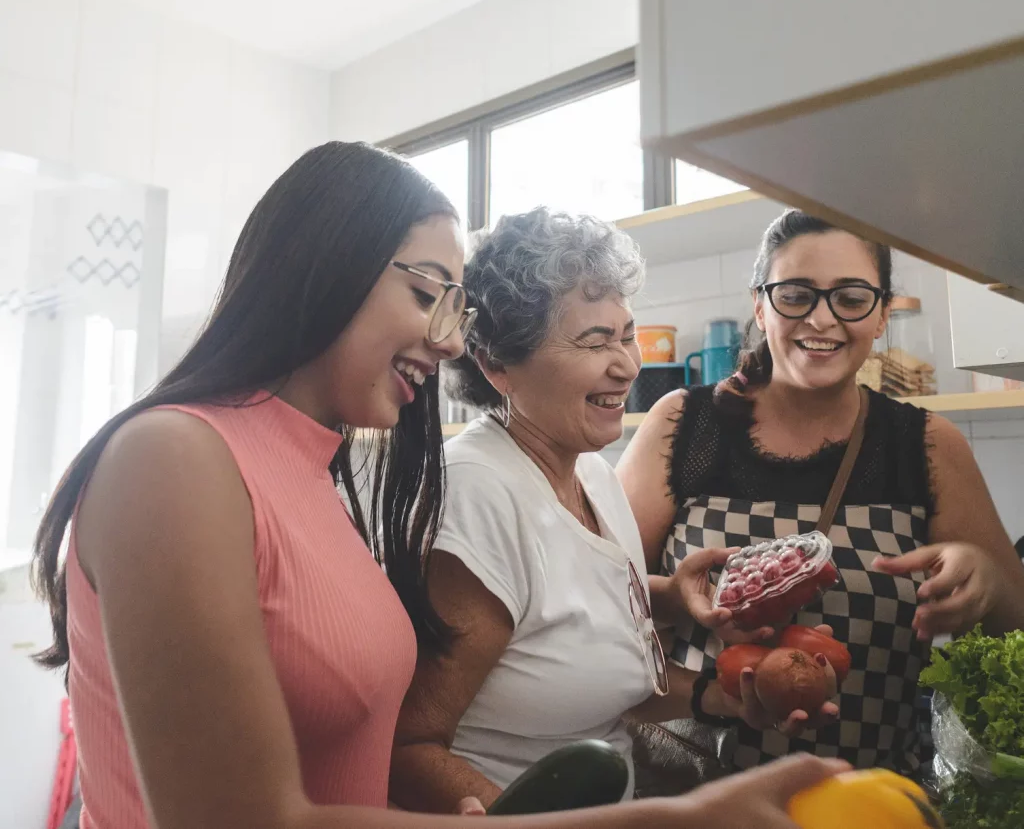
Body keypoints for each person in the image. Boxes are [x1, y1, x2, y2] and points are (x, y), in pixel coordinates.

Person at [31, 147, 846, 829]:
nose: (447, 337)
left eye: (453, 304)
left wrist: (664, 602)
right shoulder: (172, 458)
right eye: (425, 294)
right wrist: (672, 821)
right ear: (325, 269)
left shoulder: (321, 473)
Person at [389, 209, 838, 816]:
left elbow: (584, 663)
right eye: (594, 340)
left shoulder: (593, 476)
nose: (628, 364)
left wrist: (717, 687)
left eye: (627, 335)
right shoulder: (479, 493)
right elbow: (410, 746)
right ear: (497, 364)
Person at [617, 209, 1024, 773]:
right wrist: (695, 653)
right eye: (796, 295)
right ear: (760, 306)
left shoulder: (927, 445)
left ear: (881, 313)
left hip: (865, 798)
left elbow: (1016, 623)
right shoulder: (683, 426)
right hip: (692, 798)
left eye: (852, 298)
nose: (822, 318)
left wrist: (986, 578)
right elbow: (592, 607)